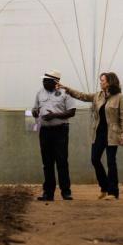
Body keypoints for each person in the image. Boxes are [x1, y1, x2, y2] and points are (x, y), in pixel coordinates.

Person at [59, 72, 123, 199]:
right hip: (99, 133)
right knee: (95, 159)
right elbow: (83, 96)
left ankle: (113, 192)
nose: (100, 82)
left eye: (103, 80)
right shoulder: (98, 96)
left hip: (113, 134)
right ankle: (105, 186)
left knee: (111, 162)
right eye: (100, 80)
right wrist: (67, 89)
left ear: (109, 82)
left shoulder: (119, 97)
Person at [31, 70, 76, 201]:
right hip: (45, 131)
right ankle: (48, 193)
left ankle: (66, 191)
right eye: (43, 80)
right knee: (47, 162)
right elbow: (35, 109)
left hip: (60, 130)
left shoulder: (65, 93)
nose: (43, 82)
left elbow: (72, 112)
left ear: (55, 81)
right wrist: (35, 112)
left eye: (46, 80)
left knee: (62, 161)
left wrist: (54, 115)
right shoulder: (40, 93)